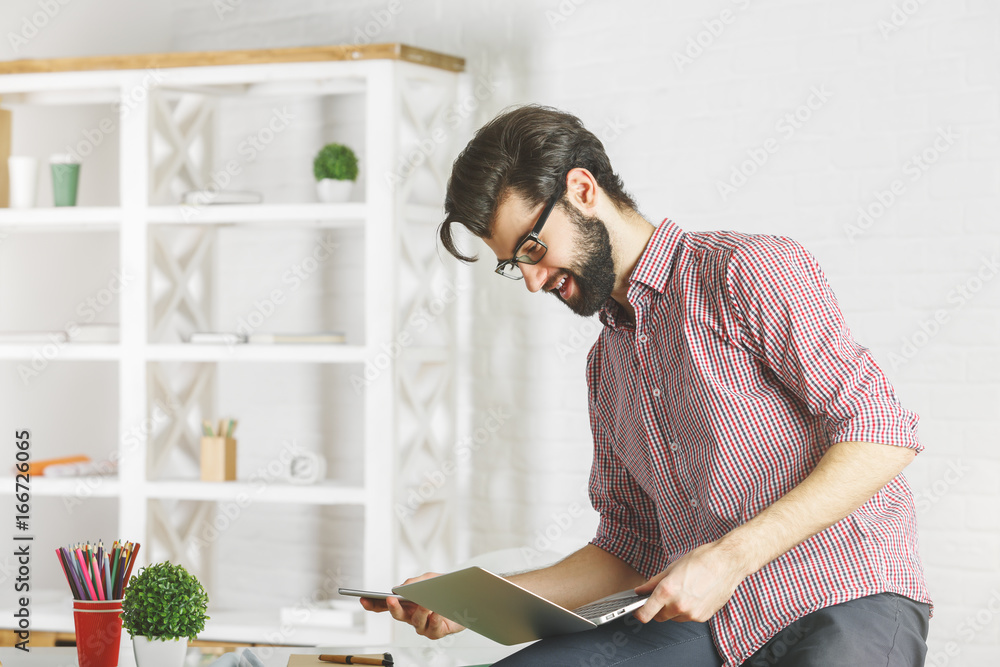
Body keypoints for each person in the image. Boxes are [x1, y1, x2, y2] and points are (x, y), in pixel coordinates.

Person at [360, 105, 932, 666]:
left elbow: (881, 432)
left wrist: (728, 559)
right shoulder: (605, 365)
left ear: (582, 190)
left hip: (846, 592)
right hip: (713, 625)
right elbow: (627, 549)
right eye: (515, 265)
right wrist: (470, 601)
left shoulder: (745, 269)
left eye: (533, 249)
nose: (532, 282)